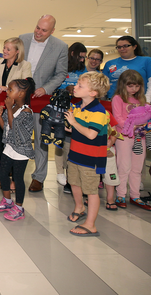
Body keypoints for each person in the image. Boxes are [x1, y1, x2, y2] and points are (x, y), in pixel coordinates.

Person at [19, 15, 69, 192]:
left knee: (41, 139)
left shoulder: (61, 47)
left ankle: (39, 177)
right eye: (38, 28)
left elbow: (61, 74)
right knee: (18, 136)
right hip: (20, 98)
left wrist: (46, 88)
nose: (39, 32)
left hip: (41, 100)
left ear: (52, 31)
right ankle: (15, 173)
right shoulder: (22, 39)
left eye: (44, 30)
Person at [63, 72, 111, 237]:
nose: (75, 87)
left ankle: (91, 225)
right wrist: (65, 124)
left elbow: (91, 134)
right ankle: (79, 207)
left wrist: (74, 122)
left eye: (80, 86)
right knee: (74, 183)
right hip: (75, 153)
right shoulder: (76, 107)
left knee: (91, 190)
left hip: (91, 158)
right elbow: (71, 129)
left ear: (93, 93)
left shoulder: (99, 111)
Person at [0, 37, 31, 185]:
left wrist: (6, 88)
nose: (4, 51)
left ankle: (13, 178)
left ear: (17, 51)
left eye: (8, 49)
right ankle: (3, 174)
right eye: (4, 48)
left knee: (15, 143)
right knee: (2, 141)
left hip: (16, 111)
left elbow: (26, 86)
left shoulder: (25, 65)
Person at [0, 78, 35, 221]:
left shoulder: (27, 112)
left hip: (21, 150)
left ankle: (19, 208)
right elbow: (6, 128)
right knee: (2, 172)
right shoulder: (13, 107)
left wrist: (8, 108)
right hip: (9, 146)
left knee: (17, 178)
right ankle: (7, 201)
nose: (7, 92)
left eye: (10, 90)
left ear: (21, 93)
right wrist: (0, 115)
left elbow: (16, 130)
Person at [111, 70, 151, 211]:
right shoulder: (118, 98)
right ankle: (121, 195)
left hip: (139, 137)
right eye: (130, 86)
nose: (134, 89)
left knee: (137, 168)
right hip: (124, 137)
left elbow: (147, 116)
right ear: (123, 85)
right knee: (123, 167)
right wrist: (133, 126)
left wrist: (147, 124)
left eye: (137, 86)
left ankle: (135, 195)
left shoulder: (142, 100)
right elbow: (118, 118)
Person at [54, 42, 88, 190]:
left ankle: (71, 176)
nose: (82, 60)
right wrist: (65, 88)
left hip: (78, 110)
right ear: (72, 53)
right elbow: (53, 83)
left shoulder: (83, 70)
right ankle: (60, 171)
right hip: (61, 107)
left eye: (84, 58)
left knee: (72, 142)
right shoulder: (61, 65)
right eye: (80, 57)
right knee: (60, 139)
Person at [103, 36, 151, 102]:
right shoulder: (110, 63)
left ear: (134, 47)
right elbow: (104, 85)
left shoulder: (147, 61)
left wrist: (147, 100)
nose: (122, 49)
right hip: (114, 101)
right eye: (119, 47)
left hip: (139, 101)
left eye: (126, 46)